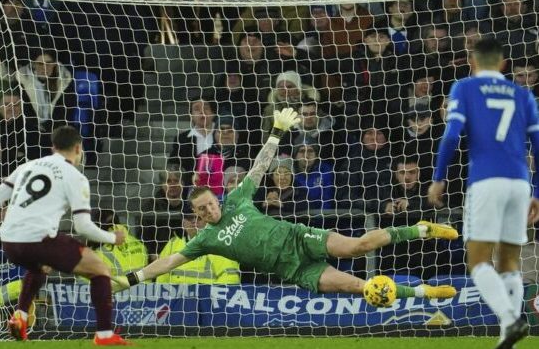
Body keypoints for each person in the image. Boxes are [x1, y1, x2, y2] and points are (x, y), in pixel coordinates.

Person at [113, 108, 459, 307]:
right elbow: (167, 262)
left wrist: (277, 132)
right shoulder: (205, 240)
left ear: (216, 199)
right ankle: (424, 292)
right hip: (293, 270)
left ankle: (423, 229)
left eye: (208, 205)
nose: (206, 212)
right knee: (360, 287)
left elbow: (260, 167)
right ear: (197, 216)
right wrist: (129, 280)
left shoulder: (236, 199)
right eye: (200, 212)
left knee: (357, 246)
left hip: (299, 238)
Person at [0, 125, 130, 346]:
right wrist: (114, 238)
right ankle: (104, 335)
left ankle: (21, 316)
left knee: (42, 266)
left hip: (8, 241)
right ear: (78, 148)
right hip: (37, 240)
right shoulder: (75, 177)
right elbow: (83, 226)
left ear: (53, 147)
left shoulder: (27, 166)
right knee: (100, 270)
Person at [429, 37, 538, 349]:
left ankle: (510, 317)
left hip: (486, 180)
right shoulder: (523, 94)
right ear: (504, 65)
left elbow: (451, 135)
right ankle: (507, 338)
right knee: (508, 260)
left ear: (472, 62)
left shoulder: (464, 88)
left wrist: (438, 178)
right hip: (521, 183)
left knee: (478, 260)